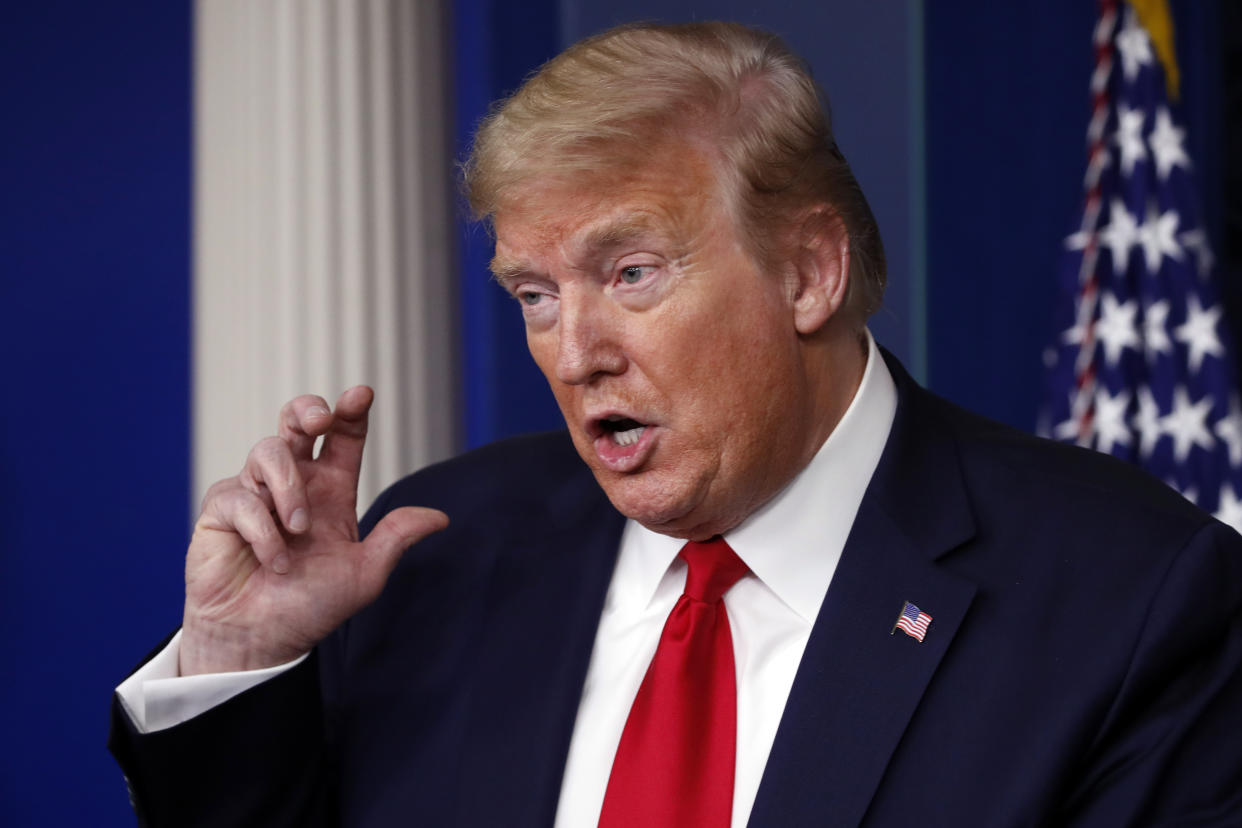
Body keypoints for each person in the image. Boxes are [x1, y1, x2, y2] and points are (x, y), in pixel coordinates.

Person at [110, 21, 1242, 827]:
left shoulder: (1129, 598)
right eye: (535, 295)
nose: (574, 350)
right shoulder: (433, 547)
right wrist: (241, 663)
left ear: (807, 269)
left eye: (632, 271)